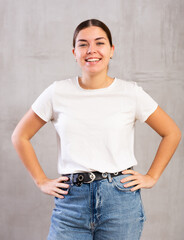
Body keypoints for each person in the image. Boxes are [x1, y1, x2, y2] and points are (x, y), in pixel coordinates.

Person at [11, 19, 181, 240]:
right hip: (71, 203)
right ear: (74, 52)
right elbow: (20, 136)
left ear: (111, 50)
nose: (91, 50)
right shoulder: (57, 92)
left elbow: (172, 132)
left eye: (99, 43)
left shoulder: (130, 93)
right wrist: (40, 180)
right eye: (83, 44)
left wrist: (152, 176)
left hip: (120, 203)